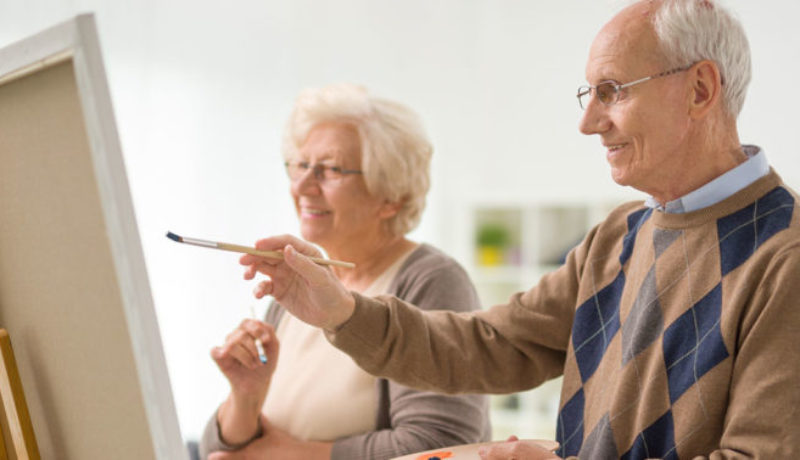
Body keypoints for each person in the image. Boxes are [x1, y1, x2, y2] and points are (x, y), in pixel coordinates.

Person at [235, 0, 800, 459]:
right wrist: (342, 311)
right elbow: (489, 345)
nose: (588, 122)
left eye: (612, 91)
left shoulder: (785, 256)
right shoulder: (619, 235)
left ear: (700, 89)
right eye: (589, 94)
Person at [198, 83, 491, 460]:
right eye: (301, 165)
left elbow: (440, 444)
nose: (303, 185)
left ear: (392, 196)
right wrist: (246, 397)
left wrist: (289, 455)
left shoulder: (430, 281)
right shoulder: (300, 282)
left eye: (331, 170)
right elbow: (219, 449)